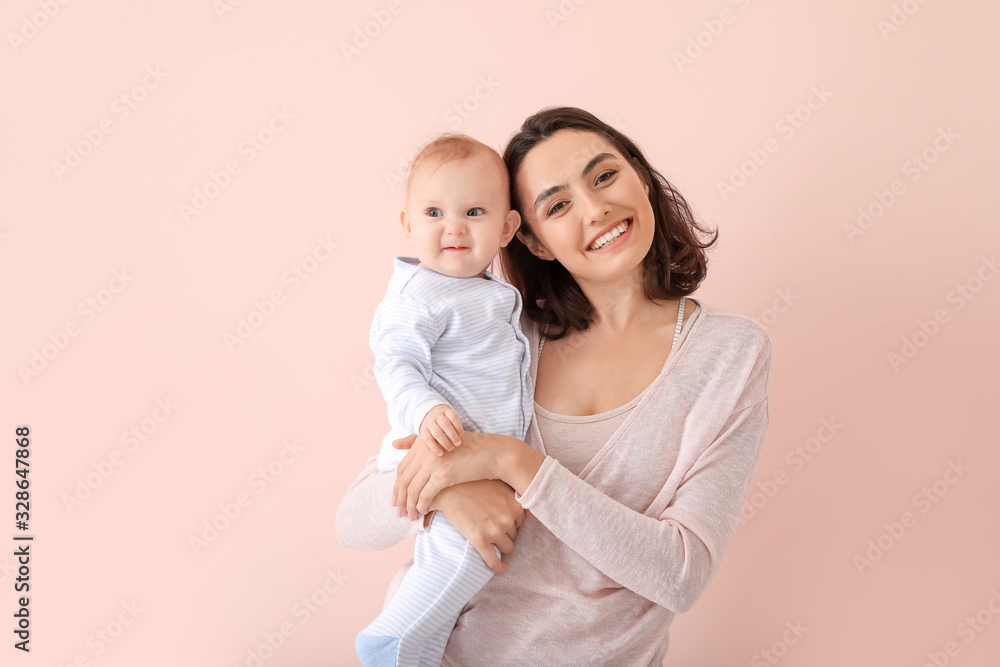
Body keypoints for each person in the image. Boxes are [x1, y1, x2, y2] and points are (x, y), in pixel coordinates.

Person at [337, 107, 772, 665]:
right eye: (558, 205)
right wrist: (447, 489)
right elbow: (354, 520)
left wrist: (512, 462)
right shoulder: (503, 338)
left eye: (605, 176)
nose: (596, 210)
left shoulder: (729, 354)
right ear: (531, 239)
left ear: (640, 177)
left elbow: (681, 574)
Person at [354, 133, 534, 666]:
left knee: (454, 558)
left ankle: (417, 650)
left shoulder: (492, 295)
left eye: (474, 212)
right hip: (433, 446)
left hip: (470, 460)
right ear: (408, 223)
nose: (453, 226)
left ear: (506, 229)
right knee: (472, 554)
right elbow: (396, 363)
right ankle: (392, 640)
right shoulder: (417, 294)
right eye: (434, 212)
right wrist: (426, 411)